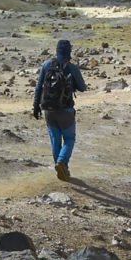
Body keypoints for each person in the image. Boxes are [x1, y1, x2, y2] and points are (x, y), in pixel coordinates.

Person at [32, 37, 86, 180]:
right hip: (66, 110)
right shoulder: (72, 68)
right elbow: (83, 87)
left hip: (48, 110)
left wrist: (35, 106)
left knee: (55, 140)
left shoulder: (46, 65)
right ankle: (62, 162)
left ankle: (60, 167)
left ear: (56, 51)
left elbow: (38, 88)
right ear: (69, 52)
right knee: (69, 139)